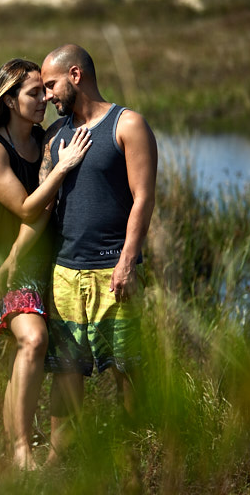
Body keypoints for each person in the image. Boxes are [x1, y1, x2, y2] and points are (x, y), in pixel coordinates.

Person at [0, 58, 92, 469]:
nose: (44, 100)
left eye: (44, 91)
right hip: (4, 265)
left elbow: (48, 212)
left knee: (25, 353)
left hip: (45, 261)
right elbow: (25, 208)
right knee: (33, 341)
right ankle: (21, 452)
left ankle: (17, 447)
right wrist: (63, 167)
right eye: (33, 93)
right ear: (9, 100)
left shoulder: (45, 140)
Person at [38, 44, 157, 463]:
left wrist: (127, 261)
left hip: (112, 271)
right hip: (65, 273)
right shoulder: (56, 135)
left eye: (50, 85)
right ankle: (58, 461)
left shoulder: (128, 125)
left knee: (127, 370)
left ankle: (136, 460)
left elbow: (143, 198)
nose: (47, 95)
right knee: (65, 373)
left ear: (75, 75)